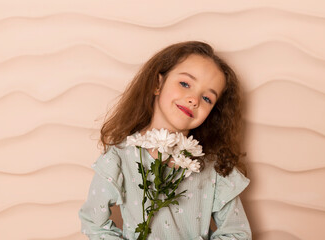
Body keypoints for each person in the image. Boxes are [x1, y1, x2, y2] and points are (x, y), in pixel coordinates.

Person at [78, 41, 251, 240]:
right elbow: (94, 223)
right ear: (157, 84)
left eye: (207, 99)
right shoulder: (119, 158)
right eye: (185, 84)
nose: (194, 99)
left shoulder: (214, 169)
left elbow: (237, 233)